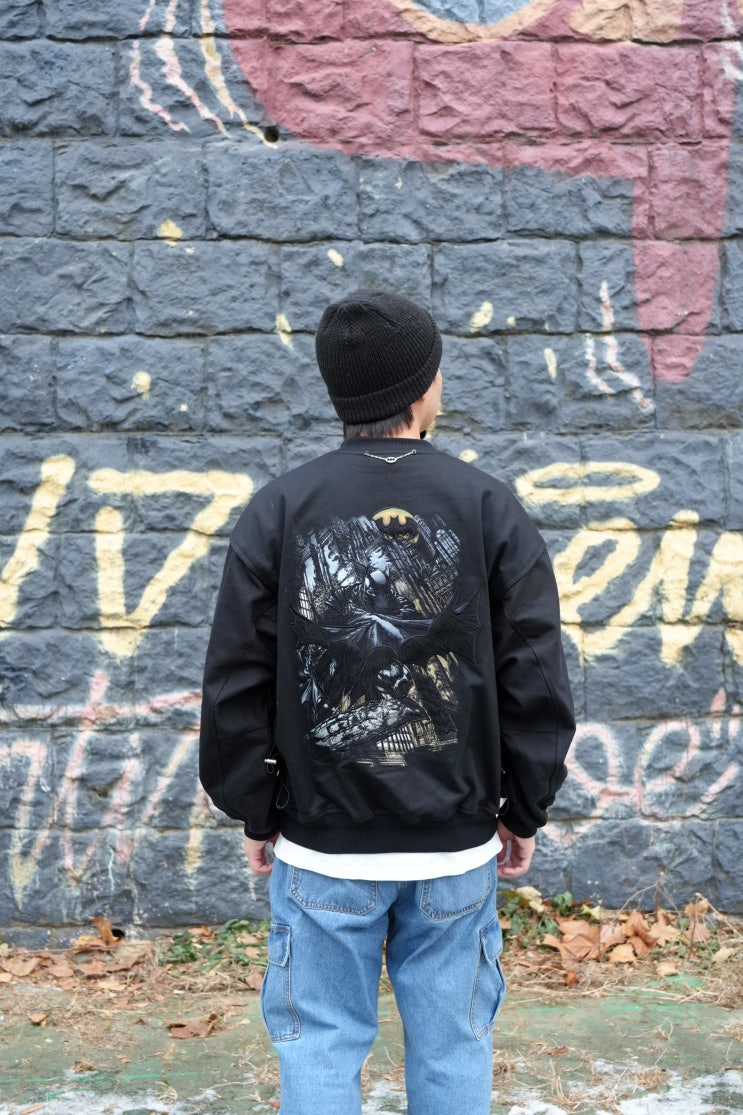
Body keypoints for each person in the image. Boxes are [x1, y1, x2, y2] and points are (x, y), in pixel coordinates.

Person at [199, 289, 575, 1115]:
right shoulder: (487, 507)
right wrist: (523, 806)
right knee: (451, 1047)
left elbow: (233, 680)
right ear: (423, 386)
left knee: (320, 1042)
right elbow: (537, 679)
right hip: (453, 848)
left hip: (322, 847)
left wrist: (257, 810)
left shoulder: (280, 508)